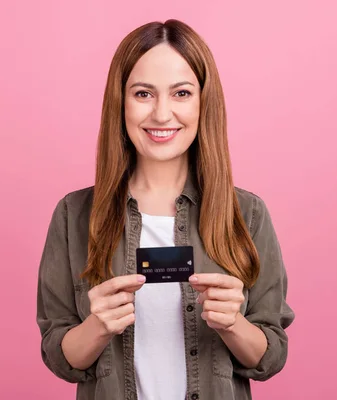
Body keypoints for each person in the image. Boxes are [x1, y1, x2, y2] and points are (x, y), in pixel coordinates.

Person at [36, 19, 295, 400]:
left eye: (181, 93)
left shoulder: (247, 214)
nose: (161, 114)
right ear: (120, 101)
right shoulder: (73, 215)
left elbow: (271, 355)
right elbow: (58, 354)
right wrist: (98, 326)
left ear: (203, 102)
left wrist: (232, 324)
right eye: (143, 94)